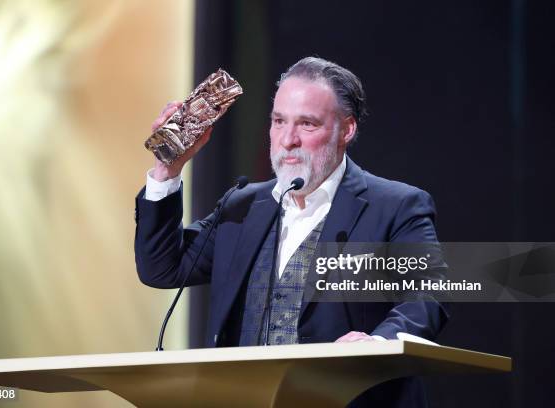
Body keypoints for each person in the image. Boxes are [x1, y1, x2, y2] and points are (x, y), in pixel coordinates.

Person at [134, 57, 448, 407]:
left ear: (346, 130)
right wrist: (167, 170)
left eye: (307, 124)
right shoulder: (242, 205)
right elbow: (162, 267)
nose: (288, 140)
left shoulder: (395, 206)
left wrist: (376, 345)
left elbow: (427, 299)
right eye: (279, 121)